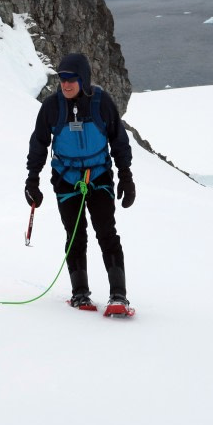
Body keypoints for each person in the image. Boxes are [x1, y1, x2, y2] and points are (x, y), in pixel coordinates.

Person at [25, 52, 136, 309]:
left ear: (83, 79)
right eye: (62, 78)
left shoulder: (101, 102)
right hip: (66, 180)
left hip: (98, 177)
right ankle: (80, 293)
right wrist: (32, 180)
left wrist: (126, 176)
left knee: (106, 233)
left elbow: (119, 140)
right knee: (75, 236)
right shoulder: (52, 107)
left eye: (71, 79)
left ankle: (118, 295)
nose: (65, 84)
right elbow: (39, 144)